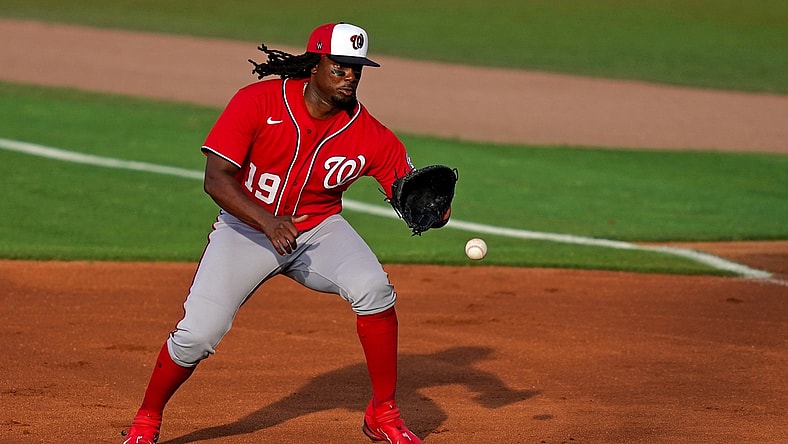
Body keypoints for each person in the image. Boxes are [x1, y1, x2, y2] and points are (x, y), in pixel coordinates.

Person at [122, 22, 450, 444]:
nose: (350, 76)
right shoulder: (256, 102)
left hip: (319, 229)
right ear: (315, 64)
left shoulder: (370, 134)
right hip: (245, 231)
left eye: (357, 69)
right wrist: (267, 221)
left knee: (375, 290)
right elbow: (217, 180)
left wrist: (436, 212)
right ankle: (147, 419)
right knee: (197, 335)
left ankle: (382, 412)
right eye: (340, 66)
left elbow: (407, 188)